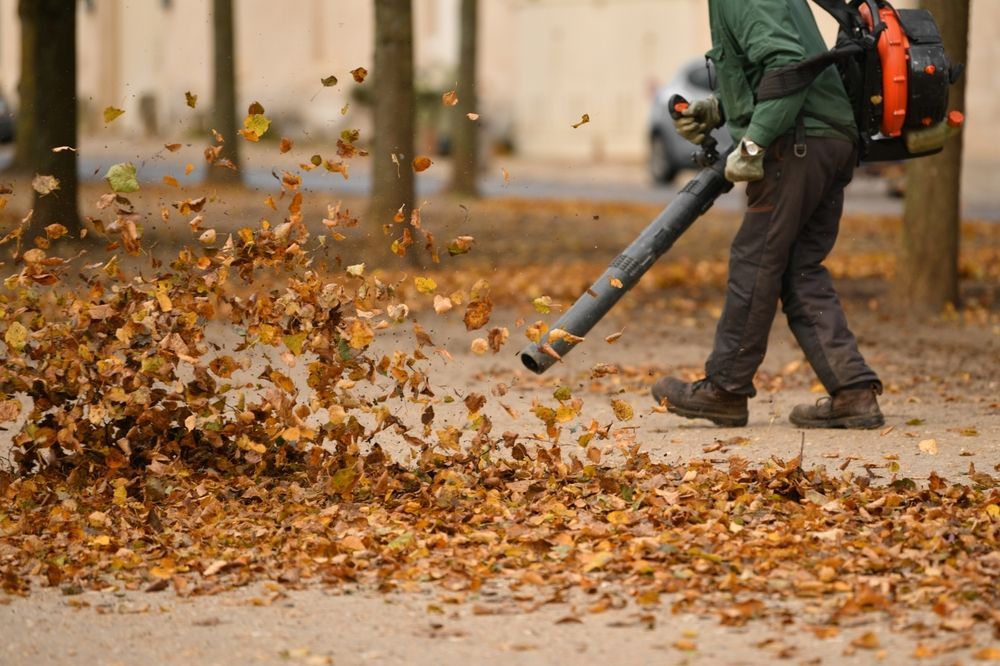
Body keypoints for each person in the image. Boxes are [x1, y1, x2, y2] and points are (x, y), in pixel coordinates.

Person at [651, 0, 884, 429]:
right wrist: (719, 107)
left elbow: (788, 62)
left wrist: (754, 142)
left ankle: (725, 389)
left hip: (795, 143)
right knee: (801, 270)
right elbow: (778, 68)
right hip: (829, 139)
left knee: (755, 263)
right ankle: (853, 392)